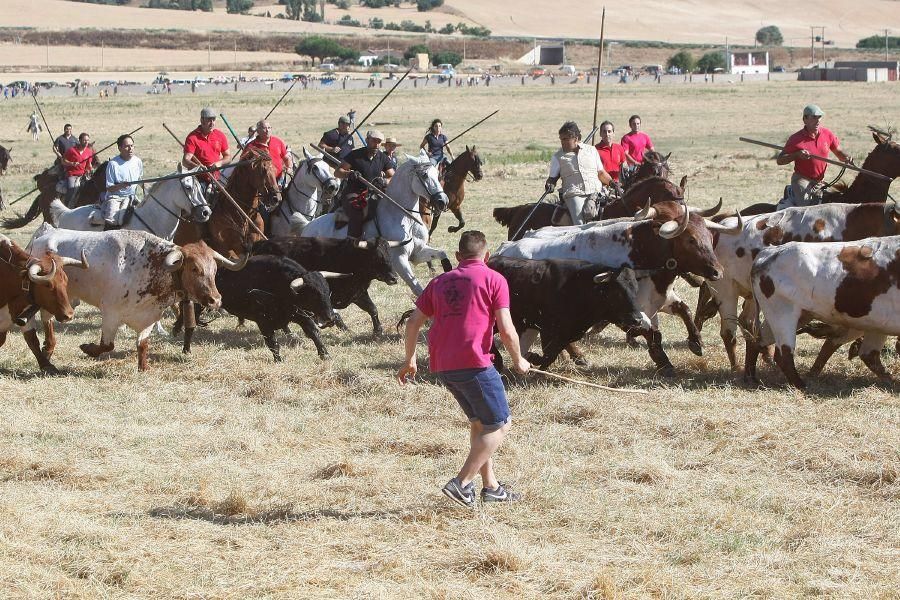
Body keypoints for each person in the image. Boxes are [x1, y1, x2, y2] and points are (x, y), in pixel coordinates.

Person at [397, 230, 530, 508]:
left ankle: (491, 487)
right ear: (487, 255)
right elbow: (506, 329)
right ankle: (462, 483)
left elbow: (412, 323)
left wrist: (410, 359)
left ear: (458, 257)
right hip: (475, 363)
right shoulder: (495, 279)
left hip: (444, 366)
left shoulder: (439, 282)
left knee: (480, 423)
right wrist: (519, 361)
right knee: (501, 424)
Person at [776, 104, 851, 209]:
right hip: (802, 180)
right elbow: (780, 160)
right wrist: (796, 155)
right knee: (807, 209)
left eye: (819, 117)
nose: (818, 120)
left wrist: (847, 158)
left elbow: (839, 153)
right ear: (804, 119)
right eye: (814, 117)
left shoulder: (827, 134)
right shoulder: (795, 139)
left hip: (819, 182)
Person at [545, 121, 614, 225]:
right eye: (561, 139)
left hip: (597, 192)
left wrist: (613, 183)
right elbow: (552, 178)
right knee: (580, 224)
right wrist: (550, 184)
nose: (562, 142)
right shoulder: (558, 157)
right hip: (574, 195)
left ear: (576, 139)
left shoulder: (591, 150)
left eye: (565, 139)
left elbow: (601, 173)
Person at [334, 130, 394, 239]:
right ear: (367, 140)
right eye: (373, 141)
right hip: (353, 193)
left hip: (374, 193)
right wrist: (349, 174)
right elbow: (338, 172)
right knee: (357, 213)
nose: (376, 144)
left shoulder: (383, 157)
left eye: (379, 142)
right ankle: (352, 242)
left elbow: (392, 177)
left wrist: (385, 181)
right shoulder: (355, 155)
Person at [102, 134, 144, 230]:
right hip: (116, 198)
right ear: (120, 148)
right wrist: (121, 185)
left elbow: (140, 180)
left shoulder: (137, 161)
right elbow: (109, 187)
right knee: (111, 220)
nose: (130, 149)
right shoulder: (113, 164)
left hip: (132, 197)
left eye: (132, 145)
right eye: (127, 146)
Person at [182, 107, 231, 183]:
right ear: (202, 120)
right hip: (197, 180)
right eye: (209, 120)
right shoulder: (192, 137)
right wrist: (198, 168)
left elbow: (228, 157)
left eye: (213, 119)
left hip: (216, 178)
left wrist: (219, 163)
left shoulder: (219, 135)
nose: (212, 123)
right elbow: (185, 161)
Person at [245, 119, 291, 183]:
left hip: (279, 182)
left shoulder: (278, 142)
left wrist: (289, 168)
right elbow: (243, 166)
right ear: (258, 131)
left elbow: (286, 159)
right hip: (260, 185)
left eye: (269, 128)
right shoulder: (250, 146)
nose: (267, 130)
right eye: (264, 128)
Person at [62, 132, 96, 207]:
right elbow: (63, 161)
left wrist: (91, 169)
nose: (86, 142)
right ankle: (66, 206)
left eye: (87, 140)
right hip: (72, 174)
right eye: (84, 140)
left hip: (83, 175)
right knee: (71, 188)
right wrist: (72, 163)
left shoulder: (89, 152)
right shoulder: (71, 150)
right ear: (79, 140)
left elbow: (88, 164)